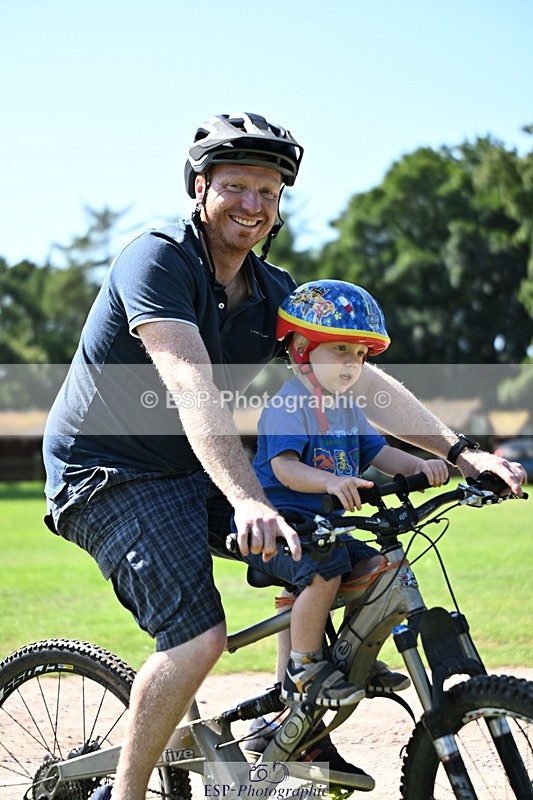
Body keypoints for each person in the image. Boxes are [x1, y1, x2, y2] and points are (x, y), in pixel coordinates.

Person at [42, 112, 526, 800]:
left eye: (267, 192)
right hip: (109, 474)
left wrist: (460, 451)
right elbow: (190, 384)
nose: (252, 204)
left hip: (197, 466)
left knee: (342, 560)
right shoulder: (158, 260)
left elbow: (356, 376)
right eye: (235, 186)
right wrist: (247, 500)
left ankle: (291, 724)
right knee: (197, 638)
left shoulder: (272, 290)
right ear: (199, 188)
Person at [241, 280, 448, 712]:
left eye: (359, 354)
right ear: (302, 349)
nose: (352, 363)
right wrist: (330, 482)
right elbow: (284, 468)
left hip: (325, 526)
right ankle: (303, 669)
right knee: (325, 573)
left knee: (378, 571)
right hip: (282, 523)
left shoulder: (347, 406)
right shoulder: (288, 404)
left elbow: (380, 453)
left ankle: (352, 657)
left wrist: (420, 466)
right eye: (340, 350)